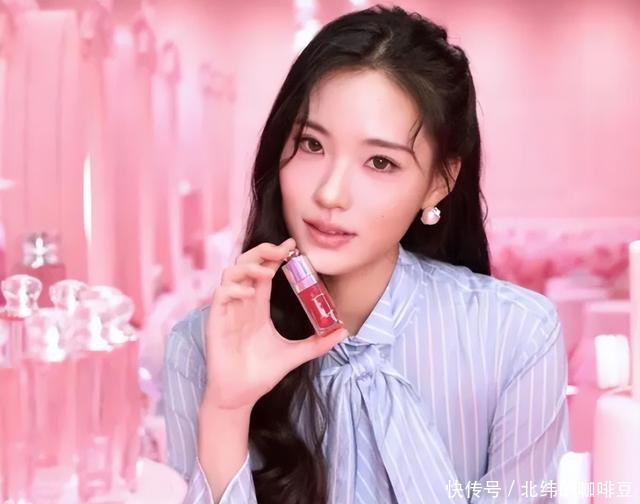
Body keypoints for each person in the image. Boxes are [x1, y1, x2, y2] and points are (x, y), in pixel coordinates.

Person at [163, 5, 569, 504]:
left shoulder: (515, 335)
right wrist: (228, 409)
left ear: (439, 182)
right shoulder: (200, 347)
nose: (330, 194)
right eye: (311, 144)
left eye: (380, 162)